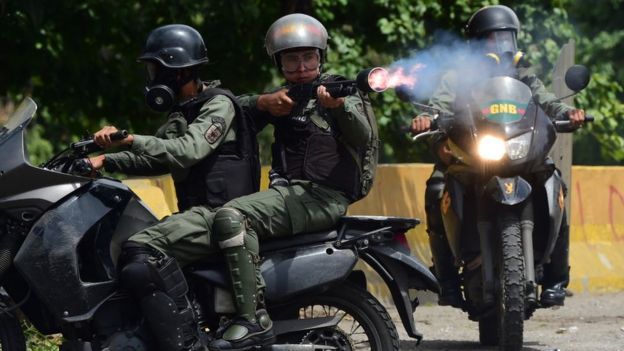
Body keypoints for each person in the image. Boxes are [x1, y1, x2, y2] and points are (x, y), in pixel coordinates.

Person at [205, 13, 379, 351]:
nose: (301, 66)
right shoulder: (282, 97)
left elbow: (363, 135)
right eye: (291, 59)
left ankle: (251, 319)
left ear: (320, 57)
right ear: (279, 62)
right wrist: (261, 102)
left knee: (232, 218)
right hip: (288, 196)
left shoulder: (342, 90)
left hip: (322, 196)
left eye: (308, 57)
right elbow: (230, 111)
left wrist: (340, 107)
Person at [86, 24, 260, 351]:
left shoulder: (217, 105)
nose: (152, 78)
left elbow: (187, 150)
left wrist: (131, 139)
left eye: (157, 70)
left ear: (181, 72)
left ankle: (185, 343)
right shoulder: (183, 111)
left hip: (221, 214)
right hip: (198, 214)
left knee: (140, 251)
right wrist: (105, 161)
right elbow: (160, 159)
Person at [410, 5, 585, 308]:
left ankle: (556, 279)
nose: (502, 46)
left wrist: (568, 113)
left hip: (519, 151)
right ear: (476, 43)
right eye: (493, 39)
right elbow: (438, 108)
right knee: (437, 188)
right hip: (471, 154)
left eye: (507, 38)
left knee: (555, 184)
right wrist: (428, 121)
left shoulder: (524, 76)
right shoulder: (457, 78)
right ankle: (447, 279)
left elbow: (548, 102)